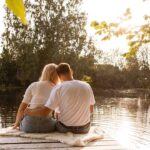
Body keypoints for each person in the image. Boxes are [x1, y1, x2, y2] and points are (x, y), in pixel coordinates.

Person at [25, 63, 95, 134]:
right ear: (71, 71)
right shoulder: (87, 86)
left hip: (65, 129)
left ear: (59, 76)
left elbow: (45, 112)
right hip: (84, 129)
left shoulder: (58, 88)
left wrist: (28, 111)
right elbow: (91, 109)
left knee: (55, 121)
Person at [13, 63, 59, 133]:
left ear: (44, 73)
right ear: (57, 76)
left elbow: (21, 109)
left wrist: (16, 124)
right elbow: (58, 112)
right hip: (47, 127)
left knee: (23, 121)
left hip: (28, 126)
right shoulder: (57, 88)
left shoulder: (33, 85)